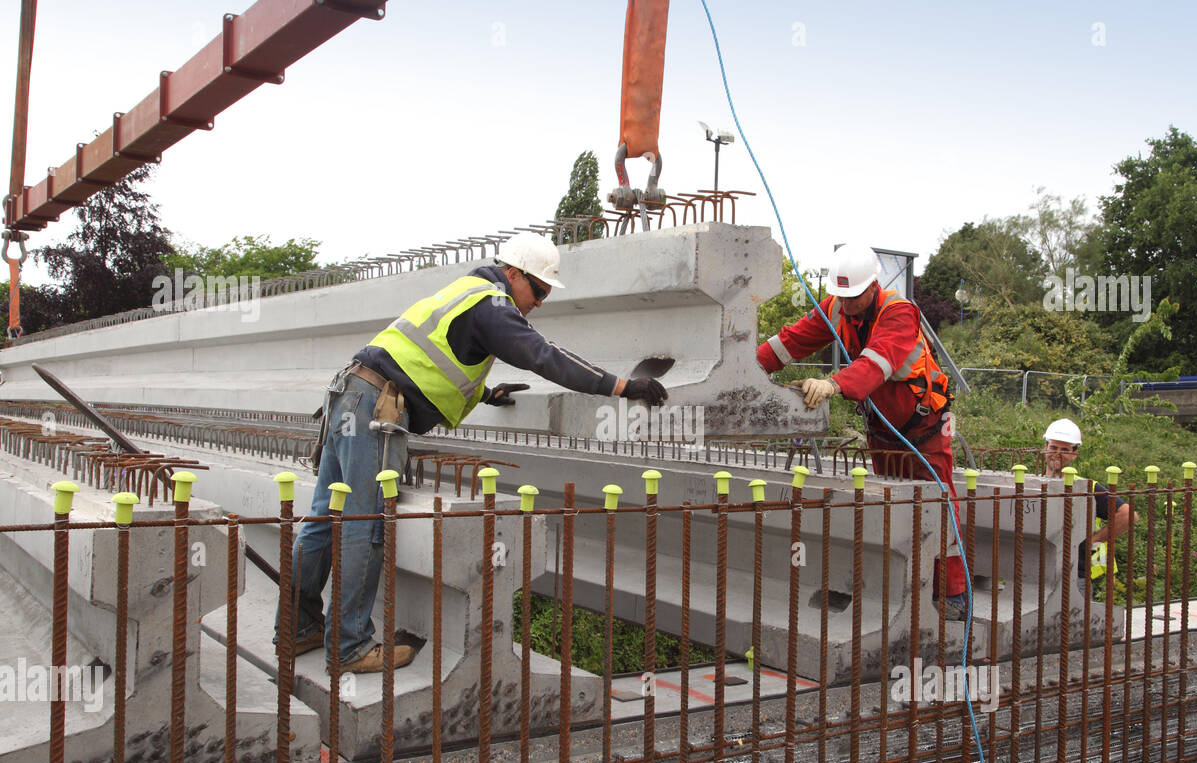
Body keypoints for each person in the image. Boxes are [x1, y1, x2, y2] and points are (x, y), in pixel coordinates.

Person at [286, 232, 669, 672]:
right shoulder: (494, 304)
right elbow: (544, 356)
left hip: (349, 395)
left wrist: (485, 393)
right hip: (376, 408)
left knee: (323, 519)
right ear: (513, 274)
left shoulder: (467, 292)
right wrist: (622, 386)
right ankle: (349, 646)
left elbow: (428, 359)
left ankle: (298, 628)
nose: (540, 302)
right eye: (539, 290)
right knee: (363, 523)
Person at [755, 243, 968, 620]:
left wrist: (834, 384)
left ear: (873, 286)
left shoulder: (900, 312)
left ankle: (952, 594)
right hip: (883, 429)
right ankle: (894, 585)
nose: (846, 303)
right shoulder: (837, 307)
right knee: (889, 503)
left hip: (925, 427)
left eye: (853, 296)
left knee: (938, 504)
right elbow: (790, 341)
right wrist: (748, 371)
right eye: (840, 296)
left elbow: (878, 362)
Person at [1040, 418, 1136, 591]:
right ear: (1045, 448)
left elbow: (1128, 515)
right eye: (1053, 447)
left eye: (1064, 449)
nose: (1057, 453)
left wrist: (1095, 540)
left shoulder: (1086, 488)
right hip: (1037, 571)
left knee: (1074, 618)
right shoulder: (1030, 484)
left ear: (1074, 454)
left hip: (1075, 574)